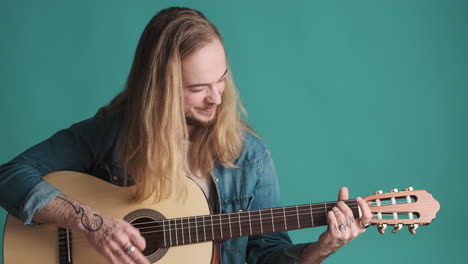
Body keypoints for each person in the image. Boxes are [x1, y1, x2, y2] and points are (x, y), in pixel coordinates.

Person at [0, 6, 371, 264]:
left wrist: (321, 250)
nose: (217, 97)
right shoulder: (112, 132)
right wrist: (90, 223)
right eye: (197, 88)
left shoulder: (250, 157)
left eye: (221, 79)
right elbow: (10, 177)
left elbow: (267, 254)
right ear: (159, 88)